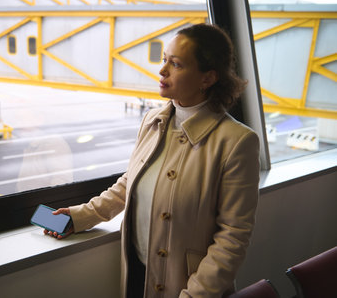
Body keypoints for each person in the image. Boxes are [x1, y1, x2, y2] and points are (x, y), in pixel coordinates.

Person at [45, 23, 260, 298]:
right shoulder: (152, 120)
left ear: (207, 79)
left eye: (177, 64)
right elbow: (130, 182)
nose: (162, 70)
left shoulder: (236, 142)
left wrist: (194, 295)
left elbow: (233, 238)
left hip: (189, 288)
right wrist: (83, 215)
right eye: (164, 60)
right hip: (138, 275)